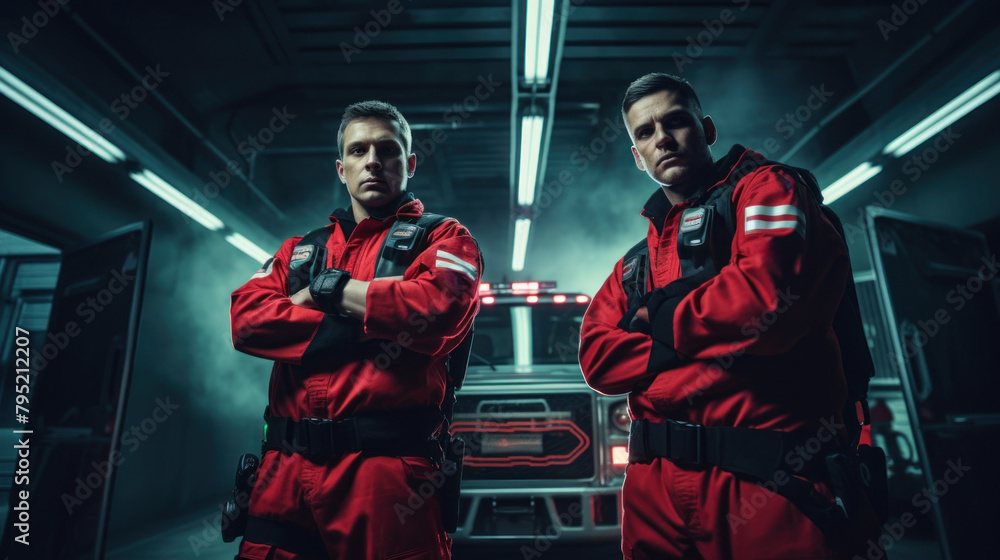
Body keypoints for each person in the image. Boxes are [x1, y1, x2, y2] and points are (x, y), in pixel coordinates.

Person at [578, 73, 880, 559]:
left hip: (771, 484)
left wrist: (654, 321)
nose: (663, 139)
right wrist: (709, 335)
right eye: (645, 133)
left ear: (707, 128)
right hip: (653, 498)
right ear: (636, 156)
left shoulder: (769, 189)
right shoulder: (636, 263)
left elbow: (763, 304)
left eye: (676, 122)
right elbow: (597, 361)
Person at [230, 100, 482, 560]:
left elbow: (436, 309)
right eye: (359, 150)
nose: (373, 162)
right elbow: (246, 322)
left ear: (408, 164)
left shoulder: (444, 239)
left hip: (385, 477)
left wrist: (317, 295)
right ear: (341, 169)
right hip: (282, 475)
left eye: (387, 151)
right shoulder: (300, 251)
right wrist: (374, 317)